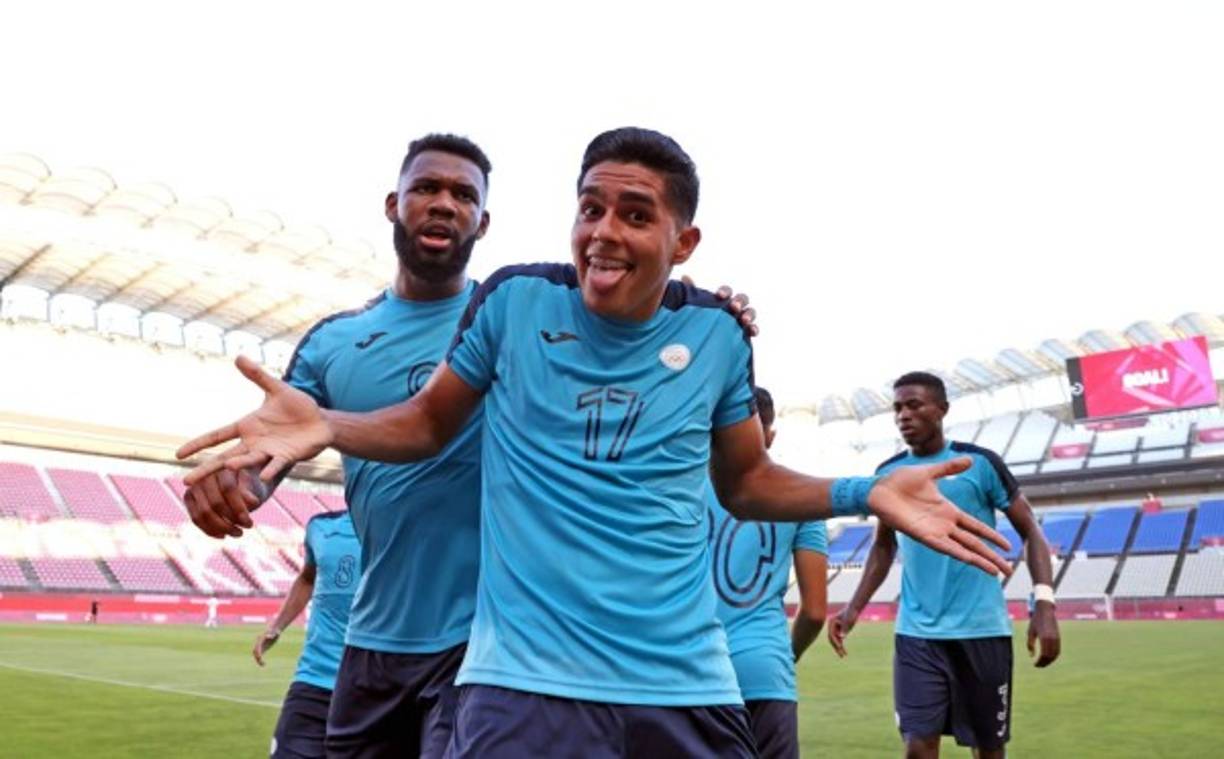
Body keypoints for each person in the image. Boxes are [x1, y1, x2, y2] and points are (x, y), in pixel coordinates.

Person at [179, 127, 1011, 757]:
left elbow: (745, 480)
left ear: (682, 242)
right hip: (511, 681)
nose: (605, 230)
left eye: (636, 215)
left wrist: (860, 491)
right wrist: (323, 426)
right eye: (591, 208)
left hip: (683, 684)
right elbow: (427, 423)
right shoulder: (510, 306)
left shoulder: (716, 332)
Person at [180, 132, 756, 758]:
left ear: (484, 222)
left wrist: (695, 302)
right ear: (392, 203)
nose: (444, 204)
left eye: (463, 195)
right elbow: (283, 445)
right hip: (373, 633)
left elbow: (634, 332)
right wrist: (235, 488)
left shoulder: (523, 320)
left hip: (483, 646)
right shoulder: (331, 342)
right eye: (426, 188)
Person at [827, 371, 1061, 759]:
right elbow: (883, 548)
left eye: (914, 405)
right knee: (918, 749)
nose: (904, 414)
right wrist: (852, 609)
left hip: (981, 631)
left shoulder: (980, 463)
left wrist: (1046, 605)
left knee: (988, 750)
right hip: (917, 634)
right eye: (898, 407)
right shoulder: (888, 474)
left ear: (942, 410)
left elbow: (1032, 532)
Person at [706, 386, 828, 759]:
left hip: (692, 673)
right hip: (764, 672)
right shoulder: (805, 498)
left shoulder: (673, 493)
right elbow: (814, 612)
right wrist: (783, 655)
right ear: (769, 437)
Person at [258, 510, 360, 759]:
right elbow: (307, 578)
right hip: (314, 681)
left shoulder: (405, 526)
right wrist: (277, 626)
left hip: (374, 691)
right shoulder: (320, 526)